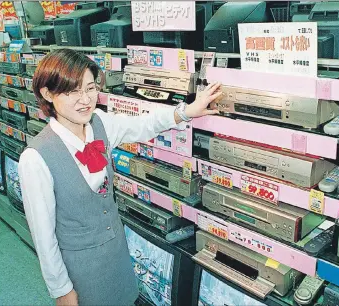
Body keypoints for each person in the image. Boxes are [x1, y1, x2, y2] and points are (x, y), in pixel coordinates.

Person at [18, 48, 222, 306]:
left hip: (117, 253)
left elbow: (144, 124)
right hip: (80, 268)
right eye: (72, 91)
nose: (85, 100)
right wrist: (61, 289)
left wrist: (186, 111)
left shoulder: (100, 123)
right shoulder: (36, 158)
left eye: (90, 88)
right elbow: (43, 236)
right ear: (48, 94)